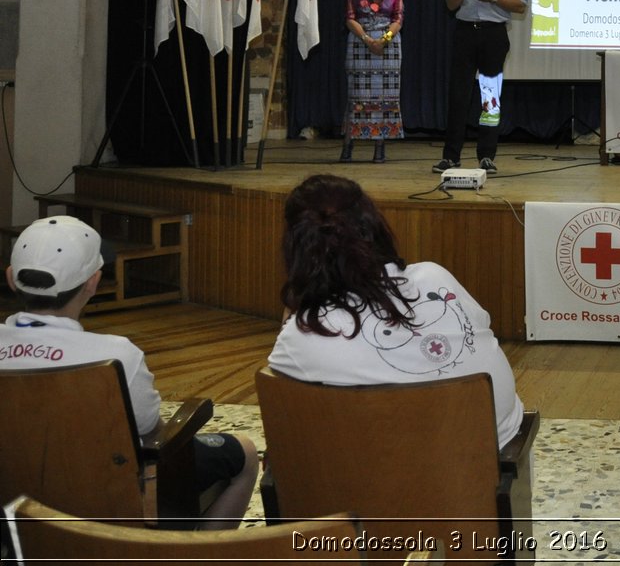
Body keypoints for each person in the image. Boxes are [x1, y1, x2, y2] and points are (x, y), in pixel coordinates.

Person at [1, 216, 259, 529]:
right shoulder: (117, 354)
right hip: (105, 505)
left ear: (12, 278)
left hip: (11, 498)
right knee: (243, 453)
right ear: (93, 283)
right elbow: (153, 435)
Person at [267, 174, 527, 450]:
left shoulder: (302, 335)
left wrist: (292, 318)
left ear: (295, 249)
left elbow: (287, 414)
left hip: (367, 483)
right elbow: (481, 329)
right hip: (484, 476)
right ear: (375, 228)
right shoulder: (436, 279)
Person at [436, 0, 527, 174]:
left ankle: (486, 155)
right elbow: (450, 5)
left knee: (490, 97)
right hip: (464, 32)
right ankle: (450, 157)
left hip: (493, 35)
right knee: (458, 97)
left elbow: (521, 5)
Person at [341, 0, 404, 163]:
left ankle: (380, 147)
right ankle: (348, 146)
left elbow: (398, 19)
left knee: (385, 97)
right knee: (356, 96)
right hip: (360, 43)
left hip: (388, 46)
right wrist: (368, 40)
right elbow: (350, 18)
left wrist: (383, 40)